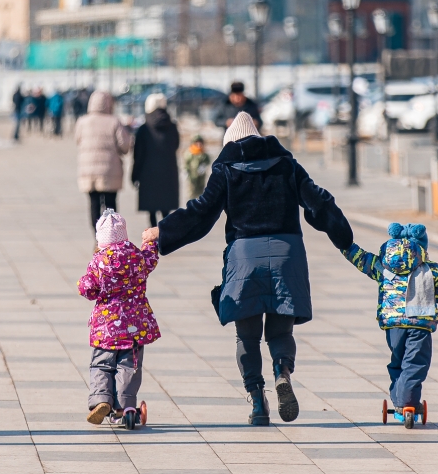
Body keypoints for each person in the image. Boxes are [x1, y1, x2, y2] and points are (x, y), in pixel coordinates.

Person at [141, 112, 353, 426]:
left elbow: (201, 213)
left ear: (231, 143)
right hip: (287, 255)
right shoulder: (287, 165)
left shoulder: (226, 170)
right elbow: (318, 202)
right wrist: (343, 237)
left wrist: (163, 232)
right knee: (281, 330)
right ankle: (282, 371)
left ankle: (257, 400)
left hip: (245, 257)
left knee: (247, 336)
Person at [341, 223, 438, 425]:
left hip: (393, 326)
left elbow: (361, 258)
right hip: (420, 324)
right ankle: (407, 401)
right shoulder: (432, 269)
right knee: (415, 363)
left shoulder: (383, 266)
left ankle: (400, 400)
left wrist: (343, 244)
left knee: (398, 361)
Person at [78, 209, 161, 425]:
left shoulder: (98, 261)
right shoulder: (137, 257)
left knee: (102, 364)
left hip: (106, 327)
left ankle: (100, 400)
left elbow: (88, 288)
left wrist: (83, 285)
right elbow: (151, 258)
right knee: (129, 365)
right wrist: (150, 242)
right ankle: (125, 405)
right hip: (135, 326)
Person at [75, 91, 131, 242]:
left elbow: (78, 140)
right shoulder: (114, 121)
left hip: (88, 171)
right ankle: (111, 238)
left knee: (93, 204)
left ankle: (97, 238)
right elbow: (125, 146)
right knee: (110, 206)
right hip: (110, 171)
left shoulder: (82, 121)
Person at [132, 93, 180, 228]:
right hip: (168, 172)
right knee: (166, 208)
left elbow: (138, 154)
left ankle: (153, 238)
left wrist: (134, 174)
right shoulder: (172, 127)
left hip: (148, 174)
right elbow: (176, 145)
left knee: (151, 209)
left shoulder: (144, 129)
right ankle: (166, 234)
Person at [183, 134, 211, 200]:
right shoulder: (189, 153)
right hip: (191, 176)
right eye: (197, 142)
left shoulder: (203, 154)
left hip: (201, 177)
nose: (199, 144)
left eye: (200, 142)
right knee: (191, 191)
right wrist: (185, 171)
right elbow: (186, 163)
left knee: (200, 192)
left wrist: (203, 167)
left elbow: (207, 161)